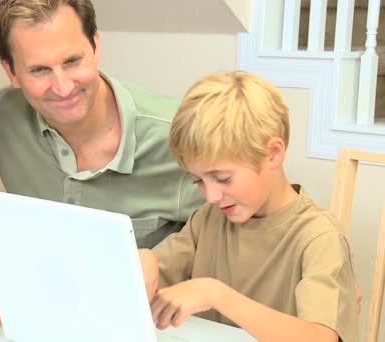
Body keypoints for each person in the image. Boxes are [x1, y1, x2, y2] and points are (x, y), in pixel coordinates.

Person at [139, 71, 359, 342]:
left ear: (272, 154)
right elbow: (149, 280)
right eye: (199, 180)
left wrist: (215, 294)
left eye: (222, 178)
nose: (211, 195)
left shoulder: (319, 237)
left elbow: (321, 337)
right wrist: (144, 260)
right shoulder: (208, 220)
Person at [0, 0, 204, 248]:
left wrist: (162, 263)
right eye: (40, 70)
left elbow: (244, 231)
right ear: (10, 71)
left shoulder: (178, 136)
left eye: (72, 61)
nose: (63, 88)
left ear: (95, 45)